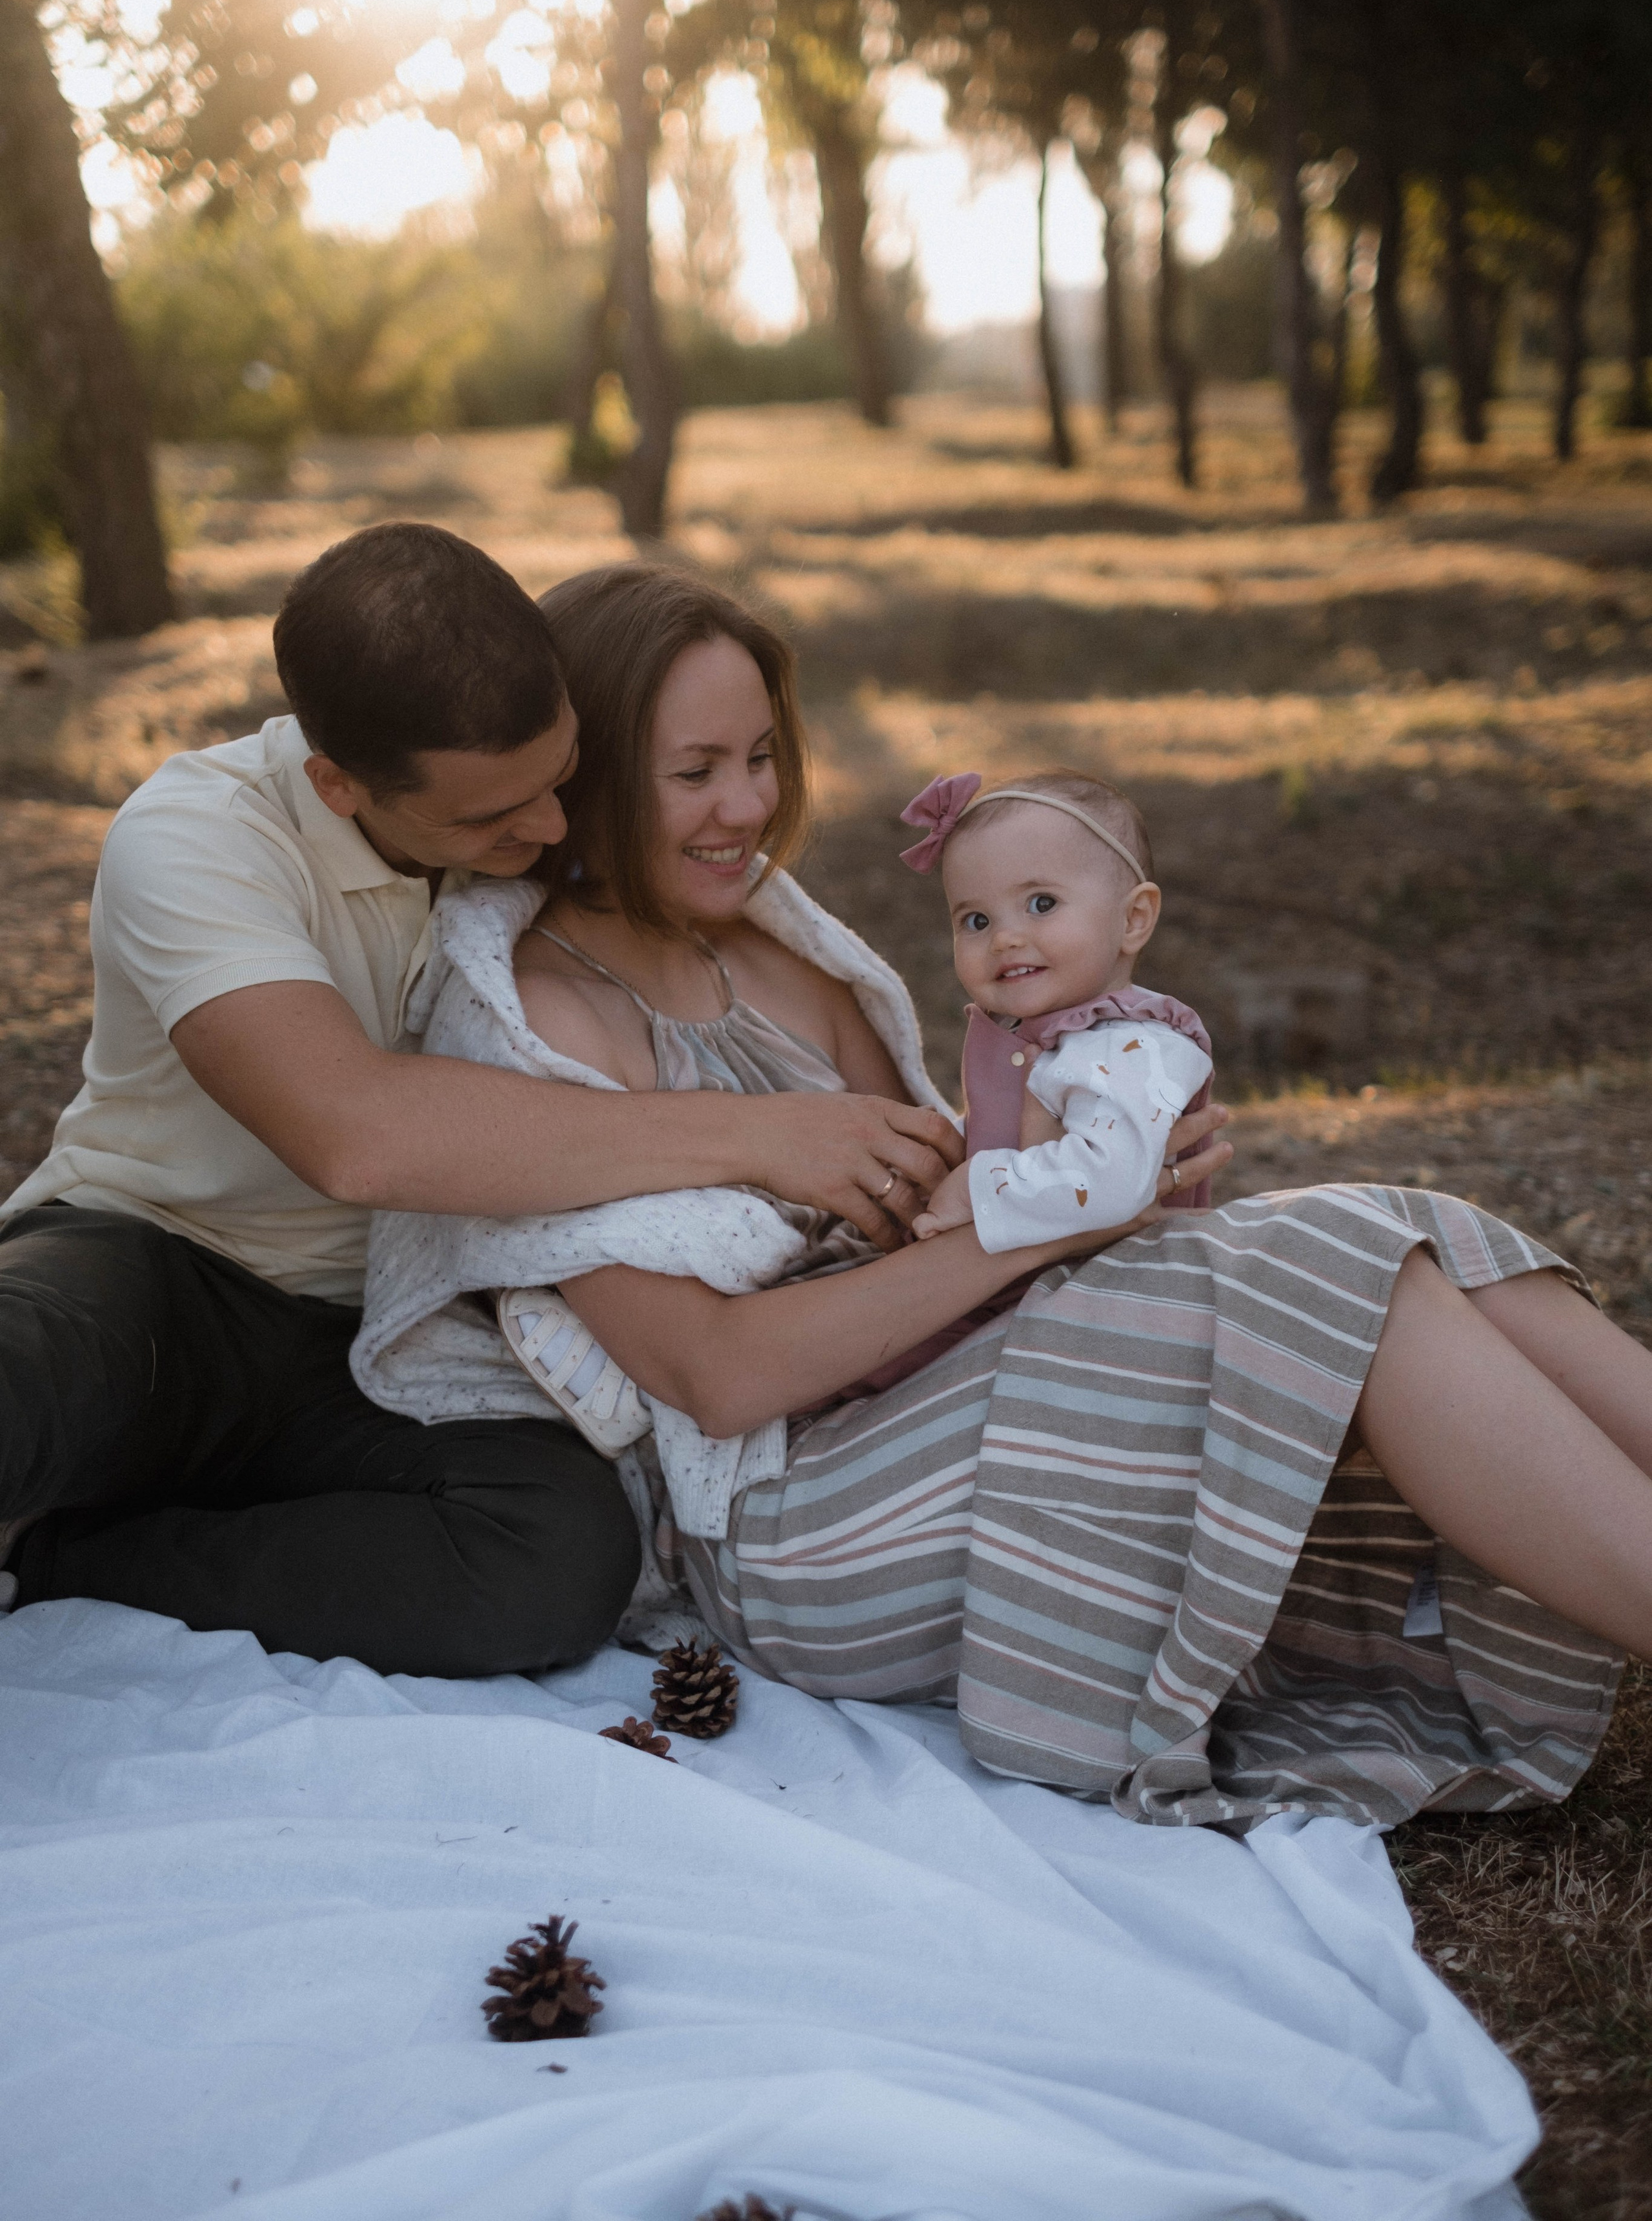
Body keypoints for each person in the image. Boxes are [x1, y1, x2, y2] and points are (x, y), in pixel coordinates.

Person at [361, 559, 1652, 1829]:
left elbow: (949, 1190)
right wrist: (1061, 1220)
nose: (745, 803)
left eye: (760, 754)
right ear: (582, 776)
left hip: (946, 1377)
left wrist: (1124, 1153)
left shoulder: (768, 942)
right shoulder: (530, 1021)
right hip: (799, 1520)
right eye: (693, 771)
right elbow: (719, 1378)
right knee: (1327, 1269)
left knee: (1391, 1226)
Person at [0, 523, 965, 1678]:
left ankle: (74, 1564)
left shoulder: (523, 829)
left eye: (561, 781)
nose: (551, 831)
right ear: (338, 784)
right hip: (155, 1272)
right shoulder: (197, 837)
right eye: (492, 818)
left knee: (560, 1562)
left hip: (373, 1341)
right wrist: (767, 1137)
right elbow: (356, 1136)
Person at [895, 767, 1216, 1246]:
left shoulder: (1133, 1045)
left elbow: (1110, 1180)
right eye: (977, 920)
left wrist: (976, 1188)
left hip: (1121, 1286)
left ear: (1133, 919)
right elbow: (1019, 1134)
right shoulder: (1039, 1037)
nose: (1004, 938)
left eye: (1042, 904)